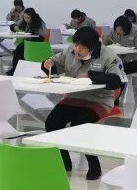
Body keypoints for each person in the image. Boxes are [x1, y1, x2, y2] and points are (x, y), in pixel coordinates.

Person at [42, 26, 125, 180]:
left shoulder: (108, 56)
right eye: (76, 45)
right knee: (52, 123)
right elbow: (56, 62)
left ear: (92, 47)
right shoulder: (70, 51)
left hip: (99, 100)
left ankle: (94, 165)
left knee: (79, 125)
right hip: (73, 97)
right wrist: (48, 63)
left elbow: (116, 80)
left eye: (82, 47)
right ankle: (64, 161)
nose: (77, 49)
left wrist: (91, 75)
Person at [5, 7, 47, 75]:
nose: (26, 19)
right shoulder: (23, 21)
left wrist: (30, 33)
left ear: (32, 17)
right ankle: (16, 69)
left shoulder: (39, 22)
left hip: (38, 43)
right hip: (28, 42)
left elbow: (43, 35)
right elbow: (14, 25)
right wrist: (14, 28)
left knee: (19, 50)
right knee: (18, 51)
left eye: (28, 18)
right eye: (24, 17)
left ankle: (17, 70)